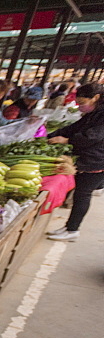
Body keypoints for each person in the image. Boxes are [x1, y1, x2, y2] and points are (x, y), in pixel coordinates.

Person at [45, 83, 104, 242]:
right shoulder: (95, 113)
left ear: (96, 98)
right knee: (80, 193)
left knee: (83, 194)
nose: (80, 106)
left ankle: (72, 229)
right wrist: (49, 136)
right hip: (90, 157)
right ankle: (69, 227)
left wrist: (67, 140)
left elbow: (93, 136)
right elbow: (74, 127)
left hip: (96, 161)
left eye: (83, 103)